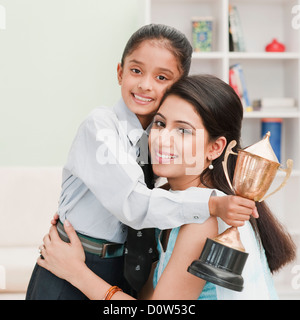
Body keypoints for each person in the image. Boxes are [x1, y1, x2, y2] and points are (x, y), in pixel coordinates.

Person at [26, 24, 257, 300]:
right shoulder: (101, 127)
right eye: (136, 71)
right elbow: (134, 203)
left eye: (161, 77)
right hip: (76, 256)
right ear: (120, 72)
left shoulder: (157, 137)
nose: (146, 85)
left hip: (115, 266)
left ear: (179, 85)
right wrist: (210, 203)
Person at [37, 74, 296, 300]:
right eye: (160, 124)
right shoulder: (167, 202)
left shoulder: (202, 219)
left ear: (215, 148)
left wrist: (76, 272)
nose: (162, 140)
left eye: (183, 131)